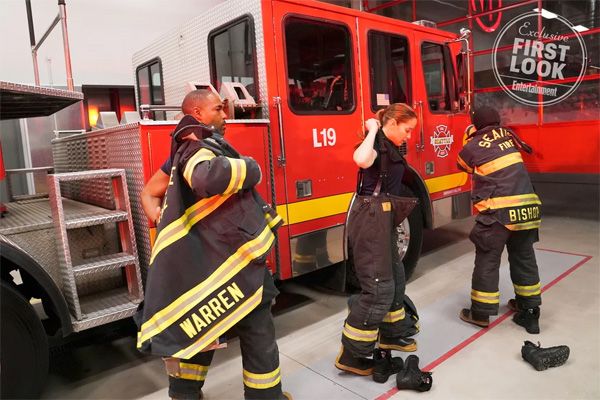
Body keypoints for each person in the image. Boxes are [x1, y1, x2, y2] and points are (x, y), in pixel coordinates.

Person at [137, 89, 291, 400]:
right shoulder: (196, 146)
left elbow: (149, 192)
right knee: (257, 329)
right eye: (218, 109)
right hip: (233, 262)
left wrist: (166, 223)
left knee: (198, 331)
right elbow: (205, 179)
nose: (225, 115)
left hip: (209, 264)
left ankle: (184, 395)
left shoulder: (183, 151)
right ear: (197, 113)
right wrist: (251, 167)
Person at [335, 103, 418, 380]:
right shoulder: (376, 145)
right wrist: (372, 130)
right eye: (407, 130)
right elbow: (360, 159)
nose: (409, 136)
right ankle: (352, 355)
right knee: (379, 288)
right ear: (392, 123)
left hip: (383, 219)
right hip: (371, 218)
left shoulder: (391, 147)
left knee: (395, 276)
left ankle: (392, 334)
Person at [457, 106, 542, 334]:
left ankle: (481, 314)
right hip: (527, 209)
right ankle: (529, 312)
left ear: (476, 124)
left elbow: (462, 165)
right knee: (524, 257)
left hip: (499, 212)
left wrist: (468, 138)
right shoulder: (510, 136)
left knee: (488, 259)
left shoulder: (474, 144)